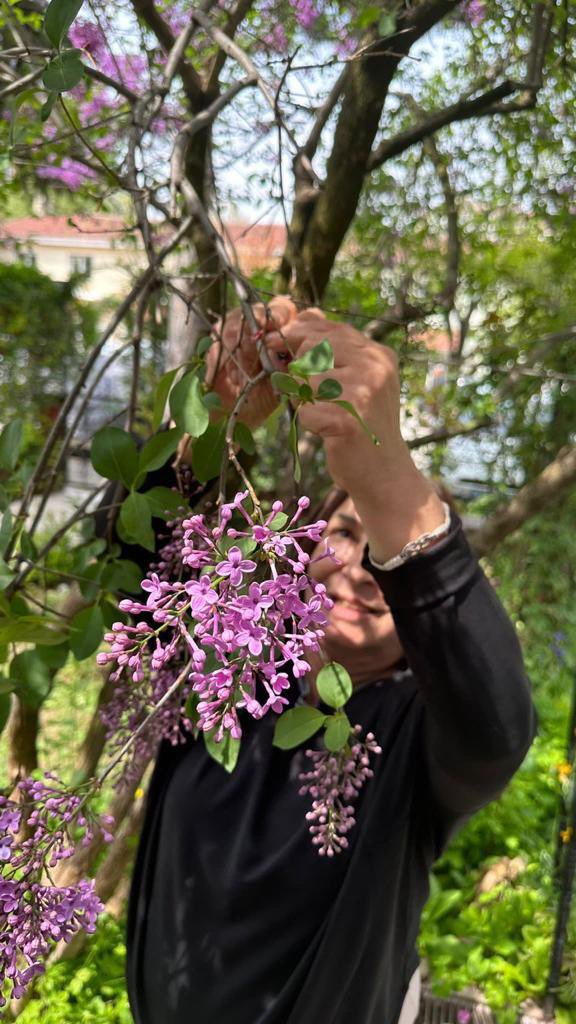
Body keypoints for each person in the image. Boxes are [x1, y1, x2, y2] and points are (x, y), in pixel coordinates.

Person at [119, 298, 535, 1024]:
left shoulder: (410, 739)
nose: (367, 568)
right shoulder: (222, 654)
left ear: (419, 617)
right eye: (347, 529)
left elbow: (496, 723)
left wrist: (388, 482)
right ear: (305, 543)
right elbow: (134, 561)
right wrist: (211, 416)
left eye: (387, 551)